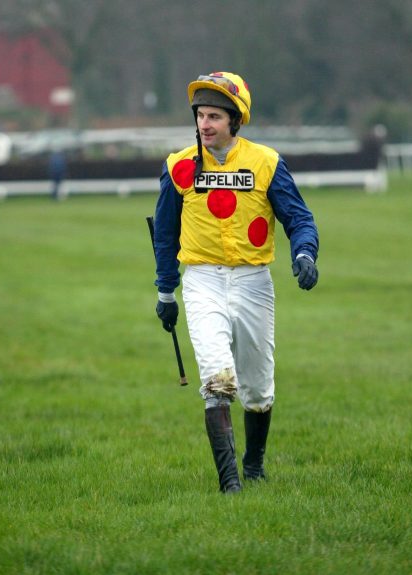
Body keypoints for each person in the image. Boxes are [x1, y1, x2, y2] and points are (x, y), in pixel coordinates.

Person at [152, 72, 319, 493]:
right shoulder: (178, 167)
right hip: (202, 280)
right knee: (217, 377)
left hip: (253, 282)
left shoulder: (267, 163)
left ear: (234, 121)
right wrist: (165, 291)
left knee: (258, 388)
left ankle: (255, 465)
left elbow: (298, 218)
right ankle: (230, 483)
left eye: (214, 117)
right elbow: (165, 234)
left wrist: (305, 253)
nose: (204, 125)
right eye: (200, 116)